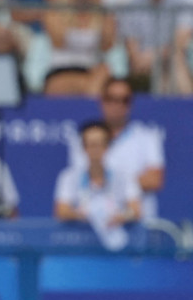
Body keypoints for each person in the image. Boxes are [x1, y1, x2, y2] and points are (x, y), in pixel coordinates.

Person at [67, 76, 164, 219]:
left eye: (124, 100)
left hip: (139, 226)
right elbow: (83, 177)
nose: (117, 105)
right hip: (94, 227)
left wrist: (110, 180)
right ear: (101, 101)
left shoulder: (147, 137)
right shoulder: (84, 137)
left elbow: (154, 180)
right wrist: (130, 181)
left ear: (131, 104)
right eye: (111, 98)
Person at [54, 120, 141, 249]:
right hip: (81, 246)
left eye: (100, 144)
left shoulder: (124, 177)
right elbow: (61, 211)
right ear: (84, 147)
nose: (96, 150)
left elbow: (135, 210)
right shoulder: (69, 177)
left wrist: (120, 216)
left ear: (107, 147)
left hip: (116, 245)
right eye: (91, 145)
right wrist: (86, 215)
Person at [116, 0, 193, 94]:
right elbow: (133, 53)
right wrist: (150, 59)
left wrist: (151, 57)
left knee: (174, 62)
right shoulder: (132, 6)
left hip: (168, 63)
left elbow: (178, 44)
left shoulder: (182, 3)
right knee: (169, 68)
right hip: (143, 69)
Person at [41, 0, 115, 97]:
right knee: (65, 85)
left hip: (90, 70)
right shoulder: (55, 11)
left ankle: (90, 109)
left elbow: (108, 44)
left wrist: (100, 2)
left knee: (103, 72)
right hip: (62, 69)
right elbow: (58, 39)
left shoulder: (101, 14)